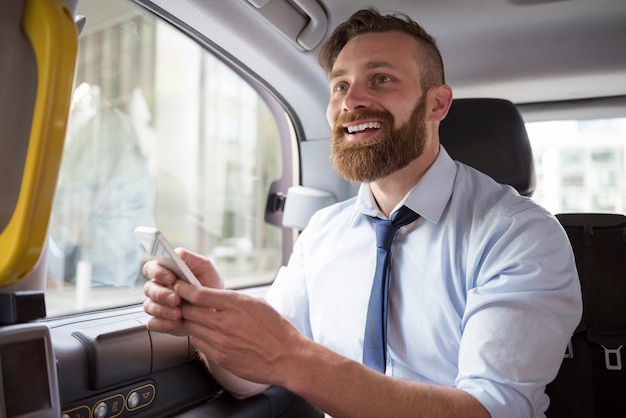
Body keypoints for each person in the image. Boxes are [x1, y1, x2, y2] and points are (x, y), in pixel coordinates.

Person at [143, 8, 582, 418]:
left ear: (437, 105)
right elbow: (248, 380)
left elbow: (489, 410)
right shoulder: (323, 232)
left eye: (382, 79)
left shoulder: (520, 235)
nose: (351, 101)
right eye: (339, 86)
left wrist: (295, 359)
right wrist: (211, 318)